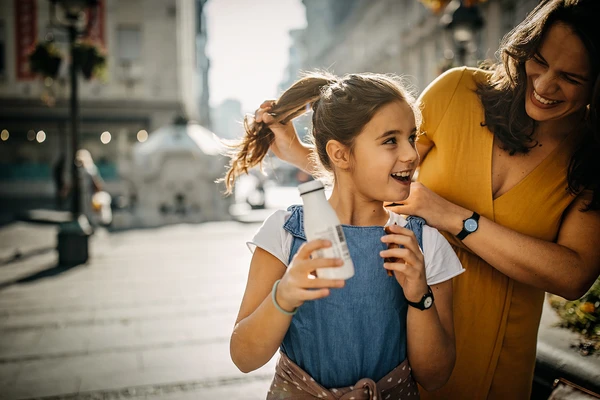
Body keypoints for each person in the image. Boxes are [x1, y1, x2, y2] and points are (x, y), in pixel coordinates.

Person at [256, 0, 600, 398]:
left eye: (571, 78)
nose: (543, 85)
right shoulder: (457, 91)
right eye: (539, 61)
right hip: (403, 339)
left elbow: (574, 276)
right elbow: (377, 174)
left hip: (498, 352)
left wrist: (451, 216)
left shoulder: (590, 155)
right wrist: (302, 154)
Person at [226, 72, 464, 399]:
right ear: (339, 155)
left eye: (412, 136)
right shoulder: (285, 234)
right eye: (391, 140)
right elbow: (244, 357)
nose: (411, 154)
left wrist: (420, 297)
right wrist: (285, 296)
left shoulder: (424, 244)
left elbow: (435, 376)